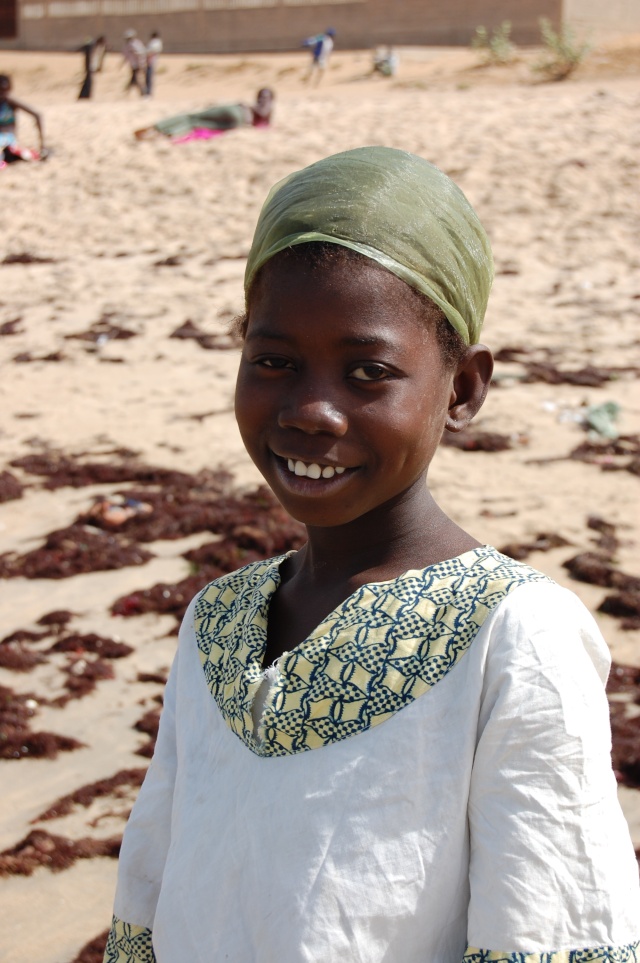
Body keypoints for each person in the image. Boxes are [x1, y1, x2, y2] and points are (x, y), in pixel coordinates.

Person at [103, 147, 640, 963]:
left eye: (368, 372)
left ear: (462, 390)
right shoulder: (218, 620)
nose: (313, 410)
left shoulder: (515, 634)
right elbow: (149, 896)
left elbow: (550, 927)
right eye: (275, 360)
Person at [134, 87, 274, 141]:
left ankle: (157, 126)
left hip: (236, 111)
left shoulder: (257, 105)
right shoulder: (269, 110)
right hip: (238, 123)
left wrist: (245, 104)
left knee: (192, 117)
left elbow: (260, 109)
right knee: (196, 124)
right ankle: (169, 133)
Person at [0, 73, 45, 162]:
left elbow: (37, 115)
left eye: (5, 90)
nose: (2, 93)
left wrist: (42, 145)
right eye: (0, 90)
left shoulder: (10, 102)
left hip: (8, 138)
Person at [77, 35, 106, 100]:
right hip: (90, 66)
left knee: (88, 81)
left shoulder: (97, 47)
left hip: (91, 66)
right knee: (89, 81)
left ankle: (85, 95)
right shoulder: (92, 47)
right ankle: (85, 95)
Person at [121, 28, 146, 96]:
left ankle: (141, 92)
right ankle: (129, 91)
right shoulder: (128, 45)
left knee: (136, 78)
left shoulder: (136, 44)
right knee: (134, 78)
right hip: (133, 65)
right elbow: (126, 56)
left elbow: (141, 53)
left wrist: (135, 53)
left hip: (138, 64)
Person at [145, 30, 162, 96]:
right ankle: (147, 92)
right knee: (148, 77)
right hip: (150, 61)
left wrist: (148, 55)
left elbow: (151, 51)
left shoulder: (155, 43)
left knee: (149, 78)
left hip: (151, 61)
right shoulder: (155, 42)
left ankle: (149, 93)